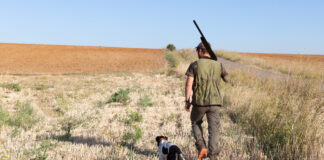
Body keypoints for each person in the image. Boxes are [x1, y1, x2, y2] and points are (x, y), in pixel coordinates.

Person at [184, 42, 229, 160]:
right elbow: (227, 79)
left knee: (195, 122)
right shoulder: (219, 65)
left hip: (199, 102)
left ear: (200, 51)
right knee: (213, 129)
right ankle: (213, 156)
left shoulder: (195, 65)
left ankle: (201, 147)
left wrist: (187, 101)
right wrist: (217, 65)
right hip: (215, 102)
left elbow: (189, 84)